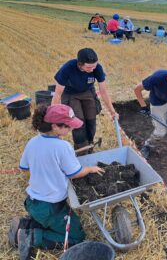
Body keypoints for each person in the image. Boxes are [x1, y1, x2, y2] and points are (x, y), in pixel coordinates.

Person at [8, 104, 105, 260]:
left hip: (33, 203)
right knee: (76, 237)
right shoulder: (63, 146)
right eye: (68, 126)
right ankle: (32, 237)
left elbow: (24, 167)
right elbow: (75, 173)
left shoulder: (33, 141)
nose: (71, 129)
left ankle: (25, 224)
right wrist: (90, 169)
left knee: (52, 222)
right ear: (55, 126)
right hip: (50, 207)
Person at [51, 48, 118, 154]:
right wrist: (53, 115)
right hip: (70, 93)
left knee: (91, 120)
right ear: (80, 64)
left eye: (94, 66)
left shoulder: (97, 68)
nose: (92, 69)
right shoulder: (68, 68)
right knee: (79, 123)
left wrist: (112, 111)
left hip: (87, 91)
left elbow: (103, 91)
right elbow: (58, 94)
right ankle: (81, 151)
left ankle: (89, 146)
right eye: (88, 67)